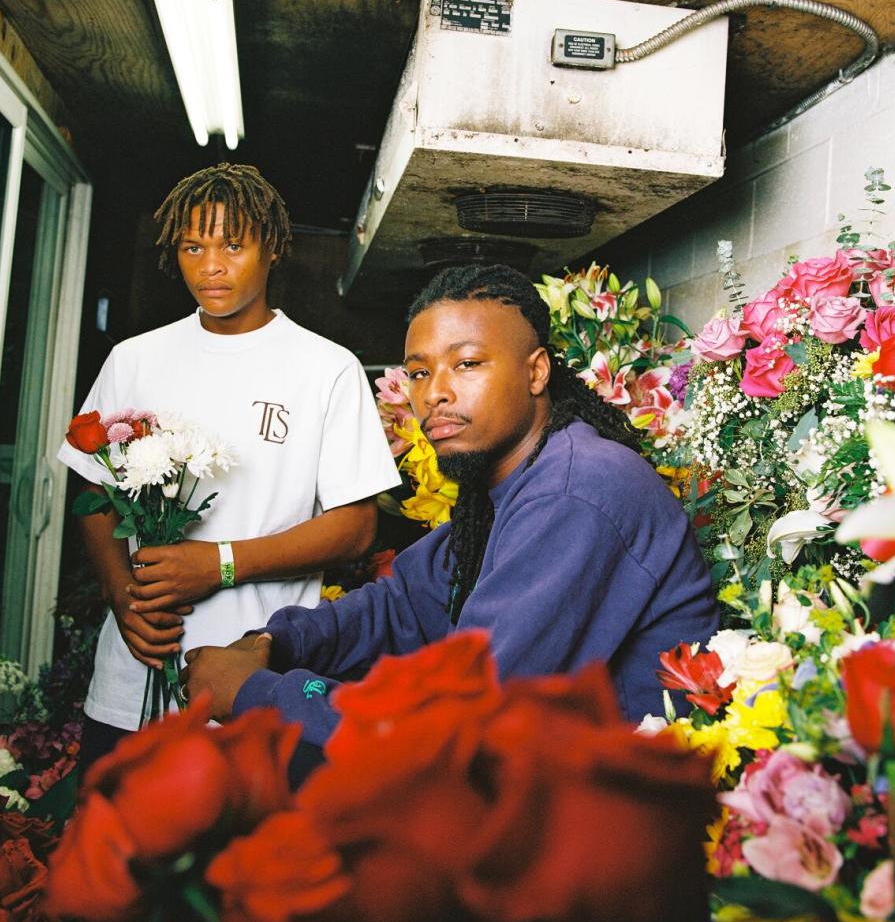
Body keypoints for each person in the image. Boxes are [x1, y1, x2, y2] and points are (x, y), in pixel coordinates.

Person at [185, 263, 718, 746]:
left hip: (621, 817)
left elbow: (460, 717)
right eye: (418, 372)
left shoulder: (577, 491)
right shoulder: (507, 484)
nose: (433, 392)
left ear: (536, 373)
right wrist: (275, 643)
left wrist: (261, 693)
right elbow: (402, 605)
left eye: (466, 363)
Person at [58, 163, 400, 769]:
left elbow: (355, 527)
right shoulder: (134, 359)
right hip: (130, 685)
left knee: (244, 862)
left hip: (252, 686)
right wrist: (122, 599)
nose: (210, 265)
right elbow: (92, 488)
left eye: (232, 245)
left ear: (272, 248)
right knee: (112, 858)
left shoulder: (326, 368)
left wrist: (217, 564)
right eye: (193, 246)